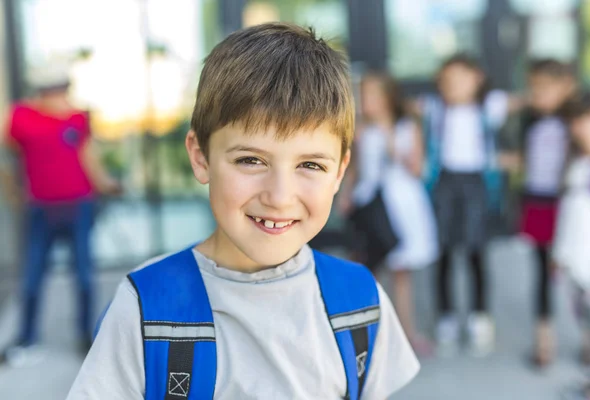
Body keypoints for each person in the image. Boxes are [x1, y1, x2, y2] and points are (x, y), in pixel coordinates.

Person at [66, 23, 419, 400]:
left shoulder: (361, 304)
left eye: (310, 165)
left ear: (339, 172)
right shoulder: (147, 309)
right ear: (201, 157)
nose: (280, 196)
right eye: (251, 160)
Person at [0, 63, 120, 364]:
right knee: (32, 277)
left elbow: (87, 156)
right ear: (42, 92)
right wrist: (12, 191)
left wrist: (107, 184)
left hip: (79, 206)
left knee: (83, 276)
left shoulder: (78, 118)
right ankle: (26, 338)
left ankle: (85, 336)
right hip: (40, 210)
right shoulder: (21, 118)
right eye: (55, 90)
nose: (61, 96)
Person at [422, 54, 512, 357]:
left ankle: (479, 314)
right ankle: (445, 315)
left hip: (476, 182)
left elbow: (526, 101)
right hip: (444, 181)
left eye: (461, 79)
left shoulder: (490, 107)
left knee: (476, 250)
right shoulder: (435, 109)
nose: (454, 86)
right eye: (447, 81)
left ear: (478, 79)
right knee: (443, 250)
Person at [343, 72, 438, 356]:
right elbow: (355, 167)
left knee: (401, 272)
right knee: (368, 270)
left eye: (372, 95)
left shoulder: (407, 127)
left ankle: (407, 333)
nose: (366, 102)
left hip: (401, 205)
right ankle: (371, 335)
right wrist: (346, 195)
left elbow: (418, 169)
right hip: (370, 204)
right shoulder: (361, 130)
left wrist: (391, 143)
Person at [501, 59, 576, 367]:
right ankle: (544, 340)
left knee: (578, 272)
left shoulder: (576, 121)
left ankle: (588, 337)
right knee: (542, 272)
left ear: (567, 87)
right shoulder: (528, 120)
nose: (537, 94)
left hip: (568, 203)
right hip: (537, 201)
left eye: (545, 88)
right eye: (534, 88)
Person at [553, 92, 590, 399]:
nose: (580, 128)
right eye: (575, 122)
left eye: (587, 120)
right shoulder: (580, 161)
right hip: (579, 261)